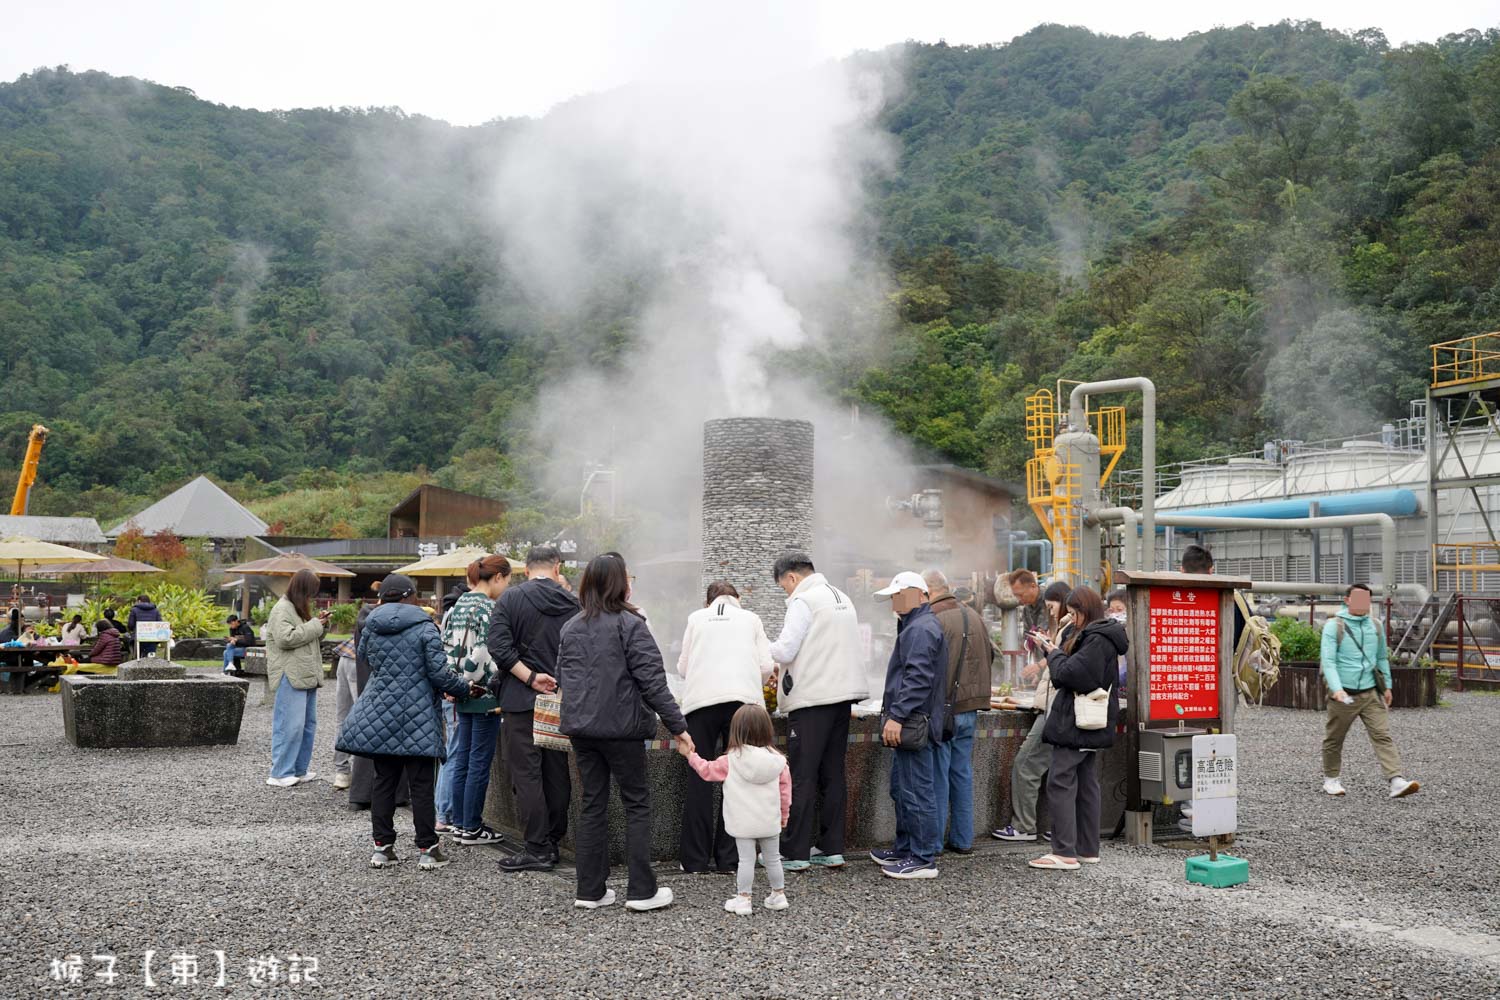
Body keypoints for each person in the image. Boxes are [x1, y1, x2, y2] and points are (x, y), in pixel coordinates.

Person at [558, 553, 689, 912]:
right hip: (622, 729)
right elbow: (653, 683)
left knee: (592, 805)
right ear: (620, 583)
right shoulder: (631, 625)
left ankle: (589, 891)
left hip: (582, 730)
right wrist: (679, 727)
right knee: (637, 804)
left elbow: (562, 677)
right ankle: (642, 891)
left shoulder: (571, 627)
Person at [336, 573, 484, 870]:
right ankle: (428, 849)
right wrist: (465, 689)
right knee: (421, 785)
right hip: (419, 714)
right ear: (409, 596)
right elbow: (439, 674)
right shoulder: (425, 627)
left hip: (380, 712)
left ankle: (382, 848)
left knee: (383, 781)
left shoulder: (370, 626)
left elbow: (366, 658)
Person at [767, 553, 867, 872]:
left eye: (783, 586)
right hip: (842, 698)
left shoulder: (804, 600)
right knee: (833, 774)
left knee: (802, 775)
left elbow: (786, 649)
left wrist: (757, 648)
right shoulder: (841, 597)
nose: (786, 592)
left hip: (812, 700)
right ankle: (831, 848)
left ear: (792, 577)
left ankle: (795, 852)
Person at [485, 544, 580, 872]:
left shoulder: (511, 599)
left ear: (526, 570)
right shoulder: (573, 602)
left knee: (526, 774)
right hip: (559, 699)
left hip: (520, 698)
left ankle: (536, 847)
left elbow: (497, 646)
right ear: (557, 567)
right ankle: (553, 841)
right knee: (556, 772)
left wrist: (529, 677)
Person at [674, 581, 774, 873]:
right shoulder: (751, 619)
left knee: (699, 777)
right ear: (737, 598)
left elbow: (682, 668)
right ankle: (730, 859)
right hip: (743, 706)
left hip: (700, 704)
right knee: (739, 777)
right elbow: (766, 666)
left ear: (708, 602)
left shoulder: (696, 618)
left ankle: (694, 860)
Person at [1028, 586, 1126, 871]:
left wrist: (1053, 653)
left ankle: (1063, 852)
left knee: (1060, 781)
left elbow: (1070, 674)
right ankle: (1086, 848)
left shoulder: (1097, 639)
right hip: (1089, 721)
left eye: (1073, 613)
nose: (1071, 618)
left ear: (1086, 611)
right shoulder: (1100, 635)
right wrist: (1055, 647)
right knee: (1086, 784)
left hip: (1077, 722)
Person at [869, 571, 946, 880]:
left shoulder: (921, 628)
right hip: (914, 719)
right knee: (904, 789)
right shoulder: (918, 625)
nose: (894, 604)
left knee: (916, 791)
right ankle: (906, 849)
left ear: (918, 594)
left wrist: (897, 716)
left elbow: (918, 678)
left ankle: (922, 858)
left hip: (912, 721)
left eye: (898, 596)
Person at [679, 703, 791, 915]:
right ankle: (778, 895)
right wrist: (784, 815)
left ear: (736, 731)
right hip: (770, 821)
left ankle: (744, 899)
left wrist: (690, 755)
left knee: (746, 861)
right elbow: (785, 793)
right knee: (773, 859)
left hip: (743, 823)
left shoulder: (730, 761)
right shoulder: (778, 762)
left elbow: (706, 771)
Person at [1321, 583, 1420, 800]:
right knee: (1334, 738)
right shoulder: (1334, 626)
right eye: (1357, 598)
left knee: (1382, 735)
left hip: (1370, 692)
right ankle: (1331, 779)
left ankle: (1396, 780)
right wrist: (1336, 689)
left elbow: (1381, 657)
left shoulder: (1375, 625)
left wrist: (1387, 686)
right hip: (1344, 694)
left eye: (1365, 599)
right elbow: (1328, 661)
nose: (1362, 603)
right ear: (1347, 600)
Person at [993, 580, 1071, 842]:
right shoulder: (1065, 625)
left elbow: (1063, 664)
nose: (1050, 612)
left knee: (1026, 764)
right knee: (1064, 772)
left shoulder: (1070, 628)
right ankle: (1063, 829)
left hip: (1055, 709)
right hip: (1058, 707)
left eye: (1052, 606)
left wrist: (1042, 662)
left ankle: (1024, 826)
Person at [443, 555, 513, 845]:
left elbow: (446, 645)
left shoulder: (459, 605)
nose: (506, 587)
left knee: (463, 758)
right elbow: (485, 651)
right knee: (479, 762)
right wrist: (473, 679)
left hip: (460, 691)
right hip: (484, 694)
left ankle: (459, 823)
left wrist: (456, 682)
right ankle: (472, 826)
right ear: (497, 577)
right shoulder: (489, 608)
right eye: (507, 580)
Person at [923, 570, 993, 857]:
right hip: (971, 706)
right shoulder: (974, 615)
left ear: (929, 590)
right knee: (961, 773)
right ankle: (963, 839)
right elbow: (991, 656)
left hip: (945, 709)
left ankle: (934, 842)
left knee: (938, 775)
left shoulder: (934, 618)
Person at [265, 569, 328, 788]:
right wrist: (315, 625)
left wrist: (321, 625)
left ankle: (298, 769)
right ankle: (279, 773)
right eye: (310, 592)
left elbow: (308, 636)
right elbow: (285, 639)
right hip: (290, 674)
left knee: (306, 725)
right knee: (289, 725)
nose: (312, 597)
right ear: (302, 589)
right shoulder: (282, 608)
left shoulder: (297, 608)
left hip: (305, 673)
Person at [330, 634, 357, 790]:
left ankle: (342, 772)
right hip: (361, 659)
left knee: (342, 718)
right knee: (365, 719)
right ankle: (362, 776)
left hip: (347, 653)